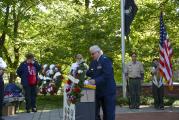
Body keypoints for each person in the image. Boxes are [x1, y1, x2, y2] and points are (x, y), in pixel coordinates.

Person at [86, 45, 116, 120]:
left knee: (108, 113)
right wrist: (82, 70)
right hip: (98, 91)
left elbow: (107, 75)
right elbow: (90, 72)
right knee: (95, 113)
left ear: (98, 52)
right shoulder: (93, 62)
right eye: (91, 54)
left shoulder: (106, 60)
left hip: (107, 91)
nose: (91, 55)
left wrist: (95, 81)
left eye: (93, 54)